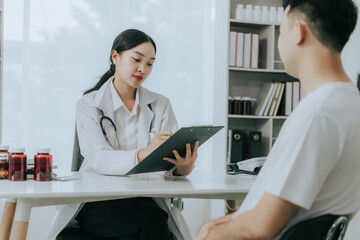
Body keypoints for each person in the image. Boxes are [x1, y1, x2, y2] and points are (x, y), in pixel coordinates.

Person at [196, 0, 360, 239]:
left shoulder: (316, 115)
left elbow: (258, 228)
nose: (279, 41)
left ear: (298, 32)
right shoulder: (351, 103)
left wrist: (210, 234)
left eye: (281, 31)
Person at [45, 29, 198, 240]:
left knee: (150, 218)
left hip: (145, 196)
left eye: (150, 64)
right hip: (98, 199)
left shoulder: (161, 105)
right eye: (137, 59)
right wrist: (143, 153)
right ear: (115, 56)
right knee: (151, 220)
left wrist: (181, 169)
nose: (142, 69)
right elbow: (97, 157)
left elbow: (166, 162)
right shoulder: (89, 105)